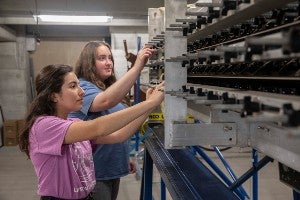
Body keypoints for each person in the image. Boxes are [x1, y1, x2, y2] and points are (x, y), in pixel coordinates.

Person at [18, 64, 164, 200]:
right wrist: (149, 102)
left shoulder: (74, 124)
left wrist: (150, 106)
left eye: (79, 85)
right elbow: (99, 127)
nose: (81, 92)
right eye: (73, 86)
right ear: (54, 95)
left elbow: (121, 135)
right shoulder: (44, 126)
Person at [68, 41, 155, 200]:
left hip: (110, 168)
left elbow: (121, 127)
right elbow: (105, 102)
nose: (109, 63)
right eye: (102, 58)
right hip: (95, 172)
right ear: (89, 63)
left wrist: (123, 156)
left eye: (110, 58)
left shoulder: (105, 87)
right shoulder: (83, 88)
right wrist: (137, 67)